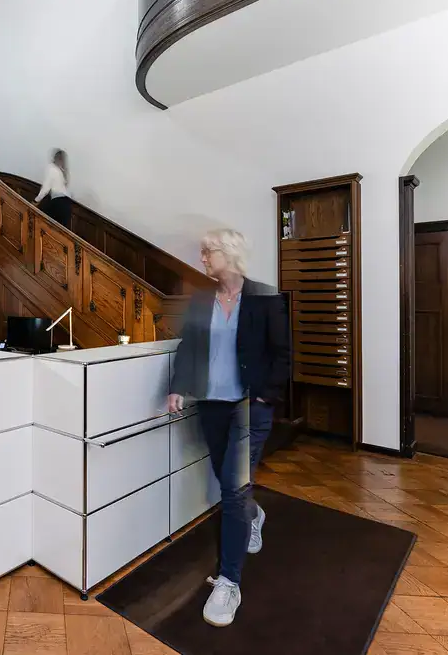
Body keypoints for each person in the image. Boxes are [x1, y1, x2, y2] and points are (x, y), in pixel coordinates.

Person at [167, 228, 289, 628]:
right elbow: (188, 347)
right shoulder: (202, 300)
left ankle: (229, 581)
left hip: (249, 408)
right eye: (202, 253)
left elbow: (283, 354)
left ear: (230, 253)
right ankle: (254, 515)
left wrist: (266, 396)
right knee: (228, 482)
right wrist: (178, 387)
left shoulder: (264, 297)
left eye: (209, 252)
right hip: (212, 406)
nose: (203, 259)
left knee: (233, 491)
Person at [35, 149, 72, 229]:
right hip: (67, 205)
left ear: (55, 158)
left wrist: (36, 201)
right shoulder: (62, 170)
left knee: (41, 222)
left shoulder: (52, 168)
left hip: (58, 203)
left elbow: (46, 188)